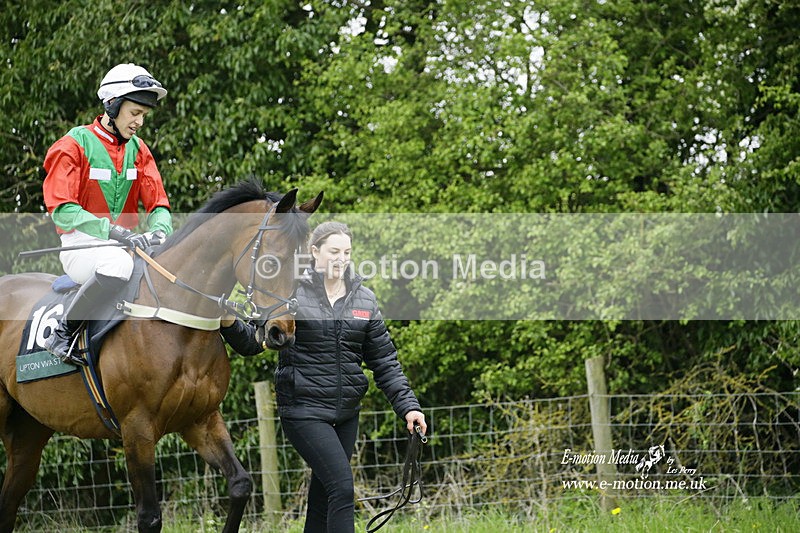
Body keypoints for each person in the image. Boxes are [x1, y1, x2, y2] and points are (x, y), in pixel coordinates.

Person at [225, 221, 427, 532]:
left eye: (346, 252)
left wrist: (409, 407)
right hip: (303, 410)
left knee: (323, 498)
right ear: (315, 252)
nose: (341, 259)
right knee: (342, 488)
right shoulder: (290, 292)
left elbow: (385, 361)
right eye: (334, 251)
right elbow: (253, 342)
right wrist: (226, 321)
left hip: (346, 414)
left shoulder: (364, 300)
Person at [42, 63, 173, 363]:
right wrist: (112, 231)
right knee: (117, 264)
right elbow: (62, 209)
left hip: (127, 246)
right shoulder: (73, 144)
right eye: (135, 113)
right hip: (81, 246)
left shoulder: (139, 150)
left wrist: (160, 231)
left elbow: (158, 204)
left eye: (144, 115)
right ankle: (62, 333)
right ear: (112, 105)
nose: (139, 122)